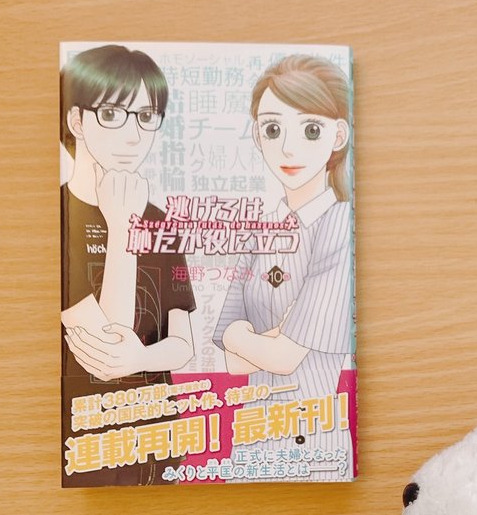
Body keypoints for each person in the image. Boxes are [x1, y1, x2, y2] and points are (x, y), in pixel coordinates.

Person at [212, 54, 354, 479]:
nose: (289, 148)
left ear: (338, 134)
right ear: (258, 135)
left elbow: (283, 358)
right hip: (253, 445)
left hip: (315, 446)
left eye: (310, 130)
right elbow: (235, 365)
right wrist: (263, 337)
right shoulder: (259, 229)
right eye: (273, 130)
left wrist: (251, 338)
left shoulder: (340, 225)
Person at [60, 44, 196, 486]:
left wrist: (141, 356)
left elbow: (183, 344)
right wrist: (121, 227)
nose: (134, 135)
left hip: (159, 440)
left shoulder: (159, 220)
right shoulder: (57, 218)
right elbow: (105, 350)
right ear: (76, 120)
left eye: (146, 116)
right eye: (112, 114)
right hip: (88, 441)